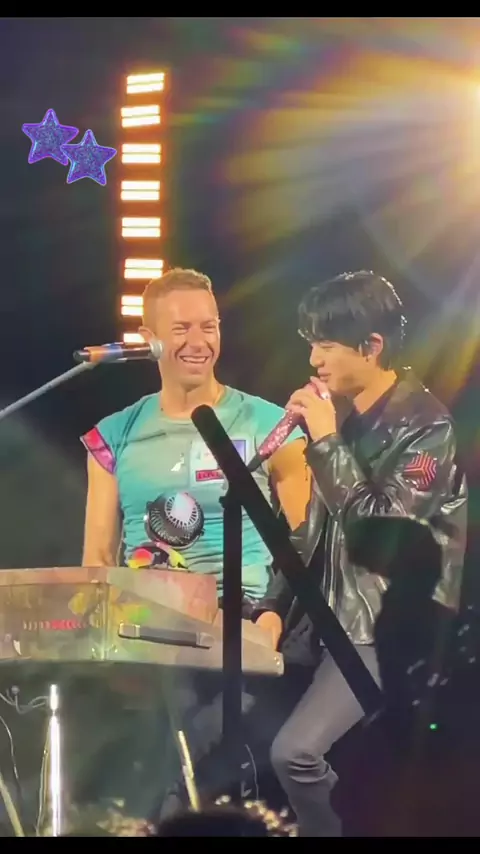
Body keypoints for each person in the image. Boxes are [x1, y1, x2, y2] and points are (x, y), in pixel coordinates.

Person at [252, 270, 467, 837]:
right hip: (321, 625)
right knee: (236, 740)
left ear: (371, 346)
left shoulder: (427, 427)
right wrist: (271, 606)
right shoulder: (342, 417)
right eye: (311, 345)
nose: (314, 360)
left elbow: (383, 531)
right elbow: (306, 531)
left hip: (382, 633)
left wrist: (325, 442)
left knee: (295, 752)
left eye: (326, 345)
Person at [81, 266, 310, 603]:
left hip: (243, 616)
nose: (199, 342)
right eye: (181, 329)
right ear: (149, 339)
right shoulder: (112, 436)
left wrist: (273, 614)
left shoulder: (271, 425)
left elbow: (310, 544)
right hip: (143, 618)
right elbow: (97, 562)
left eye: (209, 327)